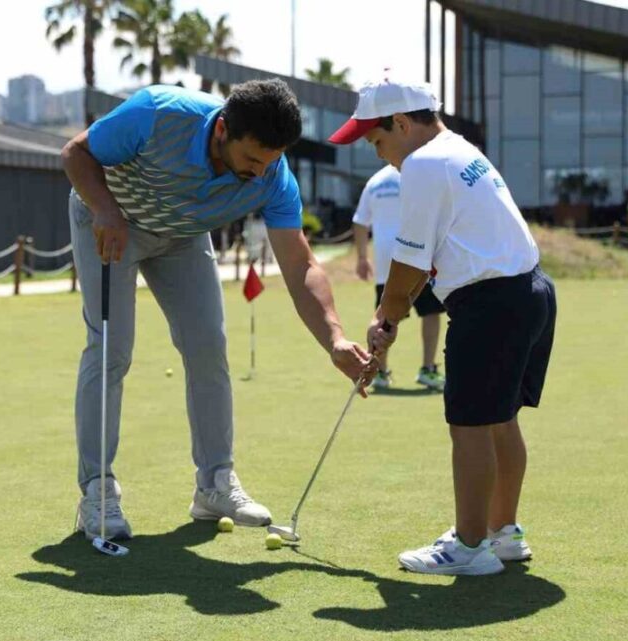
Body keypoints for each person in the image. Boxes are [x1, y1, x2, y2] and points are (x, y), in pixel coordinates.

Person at [61, 80, 372, 541]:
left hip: (183, 236)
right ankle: (97, 491)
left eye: (269, 162)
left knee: (208, 346)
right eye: (250, 160)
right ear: (222, 129)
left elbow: (300, 264)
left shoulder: (273, 175)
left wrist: (335, 338)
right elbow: (76, 154)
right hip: (111, 222)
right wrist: (106, 209)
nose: (259, 173)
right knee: (112, 349)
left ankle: (214, 484)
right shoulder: (158, 113)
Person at [329, 77, 556, 576]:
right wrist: (394, 311)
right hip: (530, 291)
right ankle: (503, 532)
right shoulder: (459, 149)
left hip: (491, 304)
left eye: (378, 141)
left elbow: (408, 266)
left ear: (403, 123)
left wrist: (384, 316)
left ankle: (471, 547)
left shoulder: (424, 164)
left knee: (470, 424)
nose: (380, 154)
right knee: (499, 418)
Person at [352, 165, 446, 391]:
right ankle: (427, 369)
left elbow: (360, 221)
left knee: (384, 317)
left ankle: (380, 372)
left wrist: (362, 257)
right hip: (415, 256)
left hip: (386, 260)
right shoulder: (418, 174)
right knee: (431, 312)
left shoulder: (374, 180)